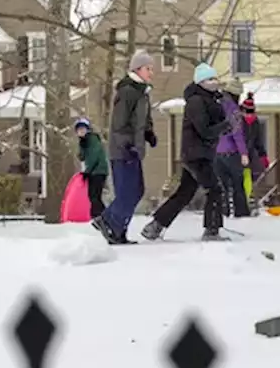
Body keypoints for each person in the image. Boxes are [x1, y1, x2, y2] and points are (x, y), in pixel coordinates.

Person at [141, 63, 229, 242]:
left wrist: (228, 125)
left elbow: (215, 128)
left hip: (199, 154)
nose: (214, 82)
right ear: (200, 83)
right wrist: (225, 126)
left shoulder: (211, 101)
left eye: (214, 78)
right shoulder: (196, 101)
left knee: (185, 193)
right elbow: (204, 130)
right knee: (214, 189)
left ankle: (155, 225)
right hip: (196, 155)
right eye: (209, 80)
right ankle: (211, 231)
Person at [94, 49, 157, 244]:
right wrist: (128, 144)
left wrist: (149, 132)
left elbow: (141, 120)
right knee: (127, 192)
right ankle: (106, 221)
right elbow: (120, 123)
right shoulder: (127, 91)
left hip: (134, 149)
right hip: (123, 150)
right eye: (148, 68)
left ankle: (118, 229)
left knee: (137, 190)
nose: (151, 72)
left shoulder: (142, 92)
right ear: (137, 69)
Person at [214, 84, 250, 217]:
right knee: (237, 184)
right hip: (231, 153)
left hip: (216, 153)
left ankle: (222, 212)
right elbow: (237, 134)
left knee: (221, 186)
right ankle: (241, 212)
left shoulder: (214, 105)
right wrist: (244, 153)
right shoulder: (233, 110)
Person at [75, 117, 109, 218]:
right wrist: (81, 146)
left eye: (83, 129)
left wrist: (87, 172)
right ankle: (98, 216)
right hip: (93, 171)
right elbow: (82, 157)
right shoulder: (84, 141)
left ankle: (101, 216)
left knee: (95, 195)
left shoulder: (92, 139)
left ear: (88, 129)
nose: (81, 131)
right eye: (79, 130)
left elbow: (94, 156)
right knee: (92, 195)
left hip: (98, 170)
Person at [239, 92, 269, 206]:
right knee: (237, 177)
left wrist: (263, 155)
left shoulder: (255, 123)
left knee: (248, 176)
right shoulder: (237, 122)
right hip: (235, 154)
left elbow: (258, 140)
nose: (250, 116)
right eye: (247, 113)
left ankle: (245, 199)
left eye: (252, 113)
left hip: (249, 154)